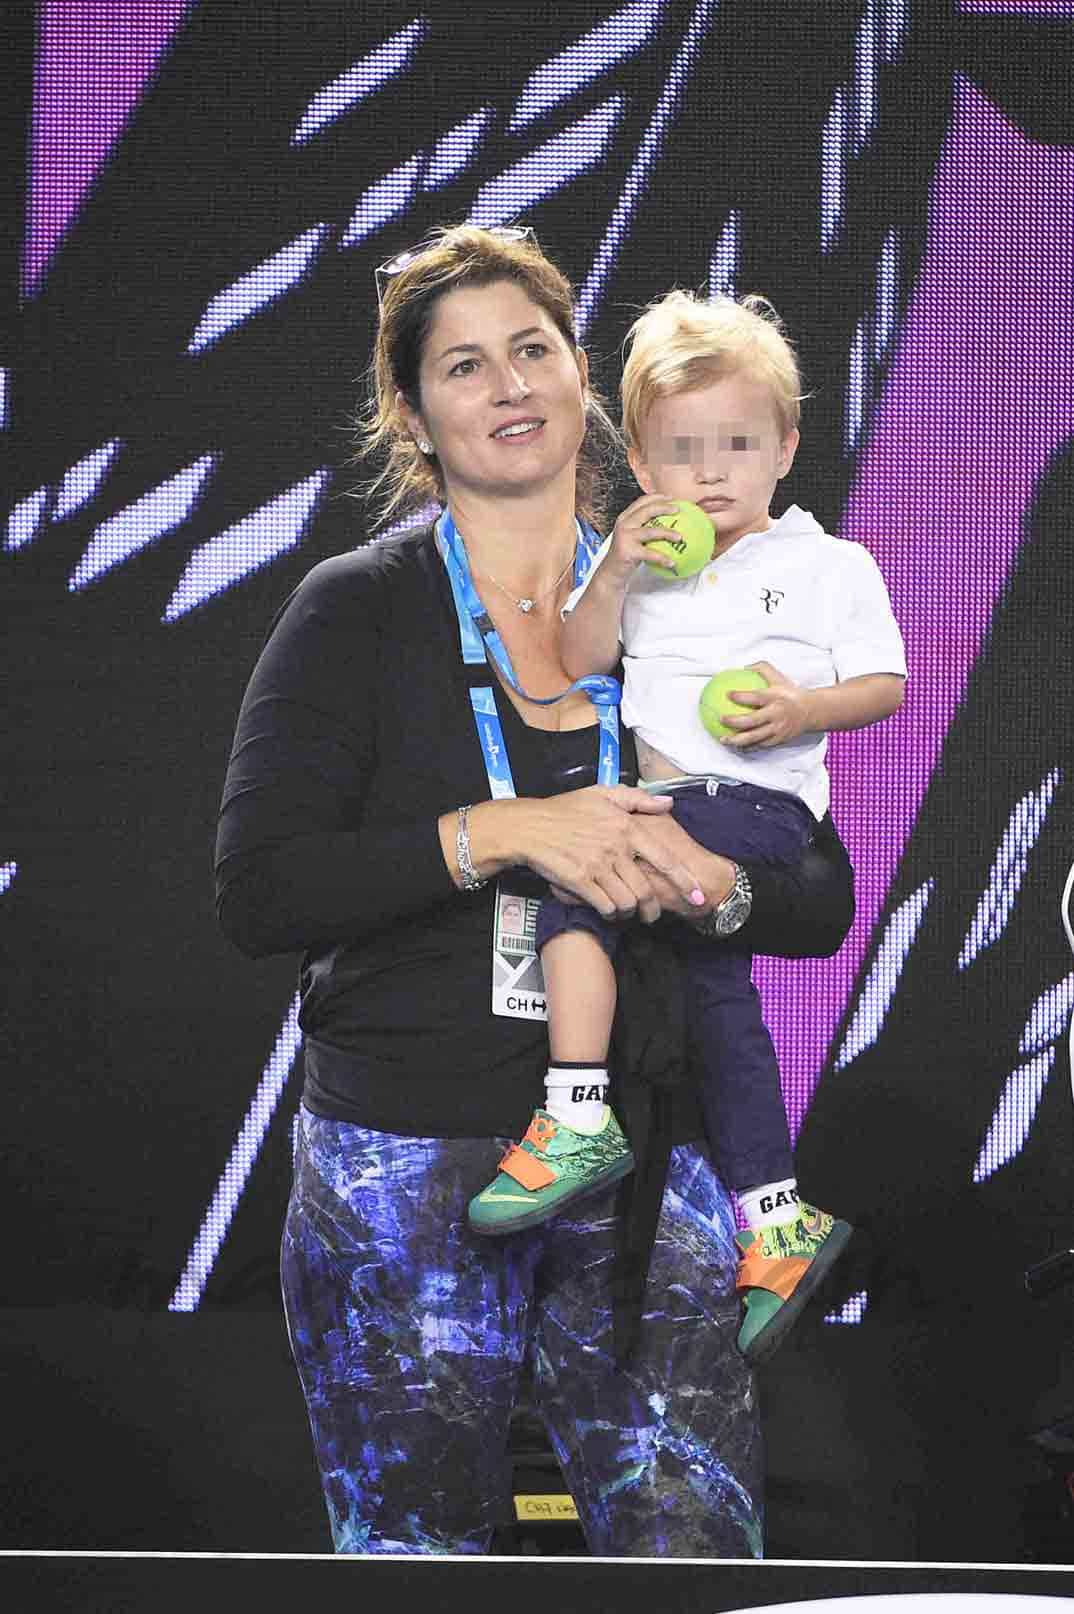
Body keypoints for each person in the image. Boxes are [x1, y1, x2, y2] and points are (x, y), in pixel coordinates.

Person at [215, 225, 858, 1558]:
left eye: (530, 349)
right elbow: (263, 888)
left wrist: (713, 880)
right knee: (417, 1562)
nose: (507, 385)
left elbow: (817, 889)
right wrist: (513, 828)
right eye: (463, 366)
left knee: (688, 1553)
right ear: (414, 410)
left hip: (646, 1164)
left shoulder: (701, 590)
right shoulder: (358, 609)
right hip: (408, 1168)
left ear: (580, 375)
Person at [467, 289, 906, 1366]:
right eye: (681, 451)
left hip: (752, 811)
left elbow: (886, 685)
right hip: (668, 804)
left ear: (787, 449)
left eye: (739, 445)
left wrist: (803, 710)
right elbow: (573, 659)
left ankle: (575, 1114)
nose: (712, 473)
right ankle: (779, 1218)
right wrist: (613, 569)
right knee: (713, 998)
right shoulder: (647, 567)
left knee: (583, 882)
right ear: (645, 466)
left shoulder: (827, 566)